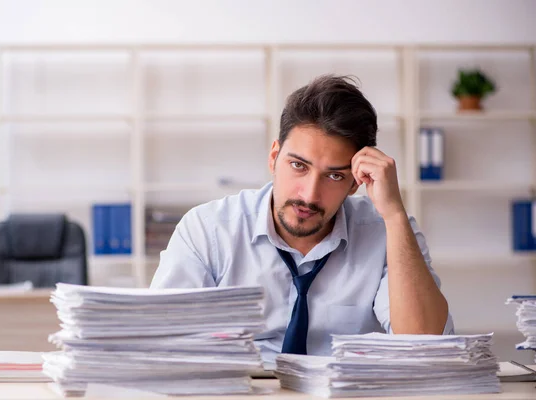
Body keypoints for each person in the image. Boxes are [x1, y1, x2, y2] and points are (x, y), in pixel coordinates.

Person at [150, 74, 454, 367]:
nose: (309, 195)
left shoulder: (388, 230)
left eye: (334, 175)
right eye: (298, 165)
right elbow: (160, 345)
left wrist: (395, 214)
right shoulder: (208, 230)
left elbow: (424, 346)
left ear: (355, 183)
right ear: (273, 157)